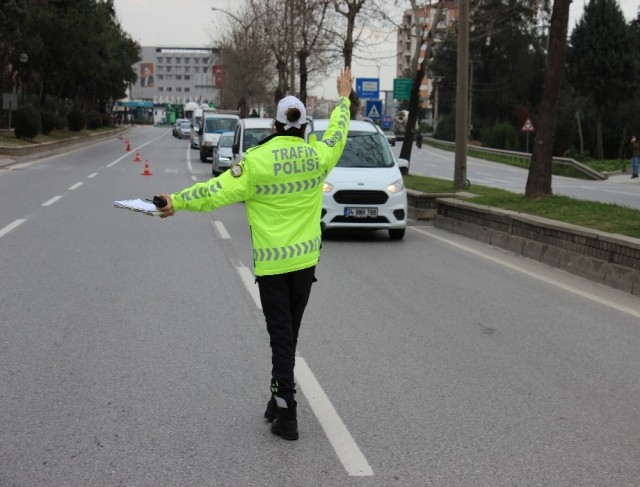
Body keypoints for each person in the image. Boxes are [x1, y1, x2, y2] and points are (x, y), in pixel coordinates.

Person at [155, 67, 355, 441]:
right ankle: (276, 397)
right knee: (288, 336)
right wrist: (344, 98)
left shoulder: (256, 163)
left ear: (276, 127)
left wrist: (176, 201)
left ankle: (288, 414)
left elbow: (213, 191)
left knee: (281, 338)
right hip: (304, 265)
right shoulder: (318, 156)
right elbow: (338, 135)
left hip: (273, 267)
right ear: (304, 126)